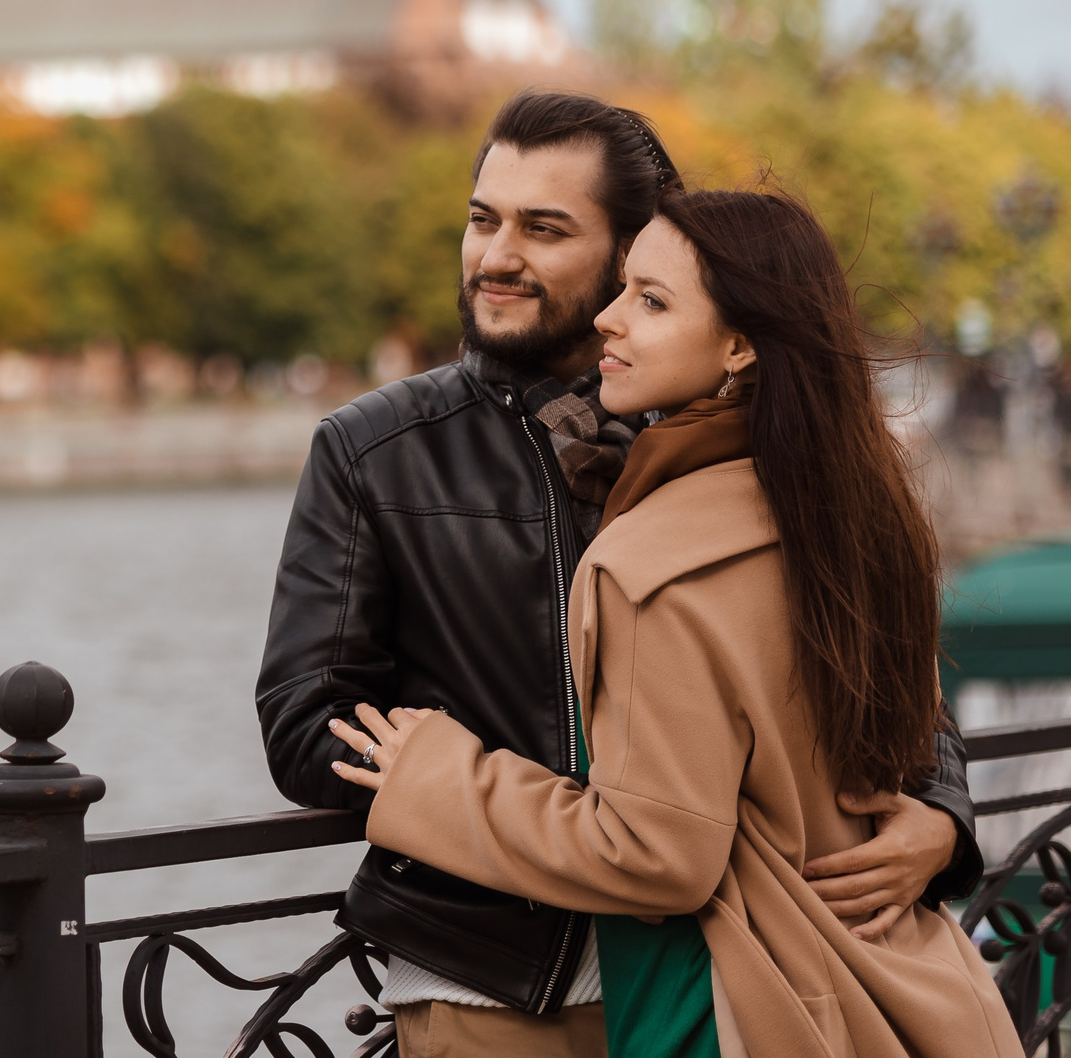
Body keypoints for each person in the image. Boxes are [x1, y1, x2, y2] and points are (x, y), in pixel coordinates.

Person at [255, 91, 980, 1056]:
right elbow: (306, 721)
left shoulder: (744, 440)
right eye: (483, 219)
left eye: (544, 227)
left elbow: (879, 658)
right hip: (501, 990)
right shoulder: (373, 450)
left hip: (737, 974)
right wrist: (583, 818)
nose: (496, 255)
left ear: (643, 250)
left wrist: (943, 814)